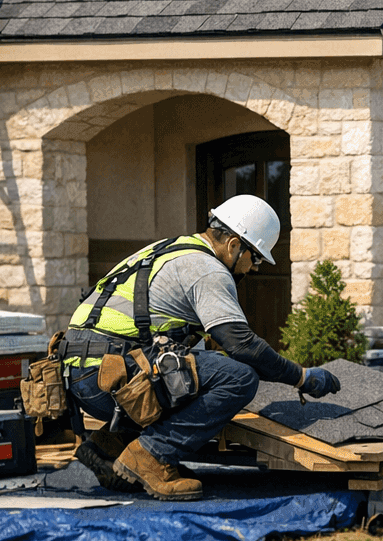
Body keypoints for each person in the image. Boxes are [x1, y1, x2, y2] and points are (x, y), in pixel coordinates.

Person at [60, 195, 341, 500]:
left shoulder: (171, 248)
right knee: (238, 377)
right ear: (234, 245)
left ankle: (111, 444)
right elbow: (242, 345)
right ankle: (151, 457)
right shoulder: (207, 269)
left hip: (82, 374)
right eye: (256, 257)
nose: (255, 267)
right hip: (108, 379)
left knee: (199, 367)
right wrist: (301, 377)